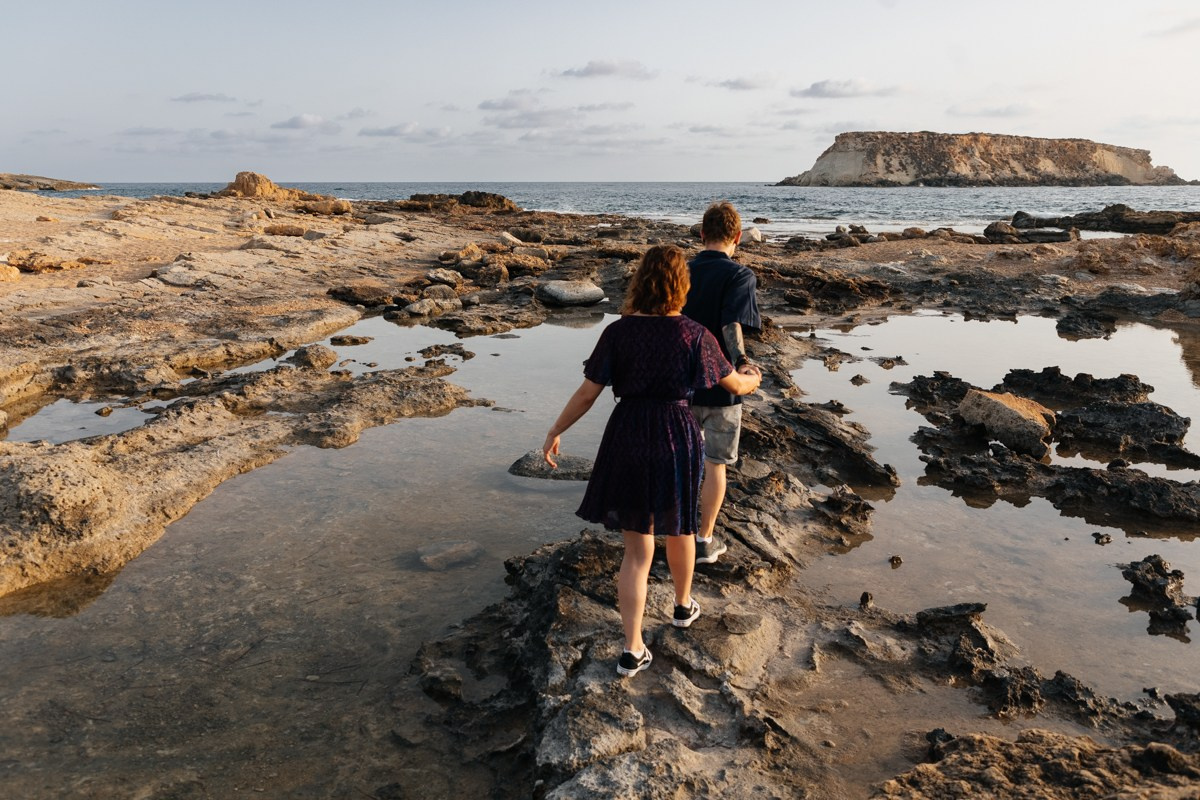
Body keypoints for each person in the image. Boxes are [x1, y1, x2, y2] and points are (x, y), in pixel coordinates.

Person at [542, 245, 761, 677]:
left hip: (627, 433)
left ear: (640, 282)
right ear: (683, 285)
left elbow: (588, 393)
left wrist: (555, 430)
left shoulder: (618, 333)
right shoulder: (696, 334)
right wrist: (753, 377)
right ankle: (682, 607)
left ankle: (632, 649)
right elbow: (733, 383)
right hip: (677, 433)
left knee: (637, 551)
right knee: (680, 528)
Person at [682, 201, 763, 565]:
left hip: (677, 383)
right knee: (715, 463)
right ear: (736, 238)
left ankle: (674, 532)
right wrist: (743, 362)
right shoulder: (740, 275)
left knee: (678, 459)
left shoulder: (680, 271)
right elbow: (731, 324)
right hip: (721, 381)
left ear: (701, 235)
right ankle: (703, 539)